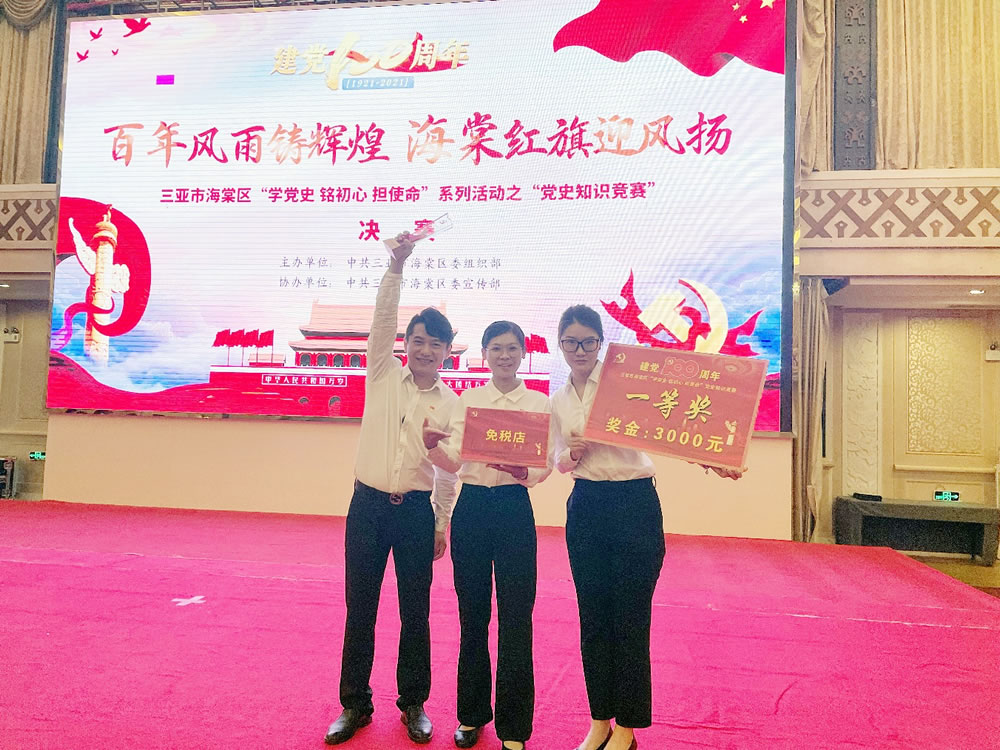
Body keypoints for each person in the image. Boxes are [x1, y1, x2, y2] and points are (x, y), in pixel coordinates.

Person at [550, 305, 742, 750]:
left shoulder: (628, 383)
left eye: (588, 341)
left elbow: (670, 427)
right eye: (571, 342)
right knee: (593, 619)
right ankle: (600, 721)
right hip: (587, 507)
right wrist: (572, 453)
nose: (580, 350)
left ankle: (628, 728)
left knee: (631, 619)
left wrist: (714, 460)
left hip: (634, 505)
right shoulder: (558, 400)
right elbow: (556, 459)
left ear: (601, 343)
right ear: (560, 345)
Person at [325, 235, 459, 746]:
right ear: (406, 344)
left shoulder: (451, 403)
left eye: (435, 344)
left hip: (416, 513)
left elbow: (449, 471)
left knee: (415, 612)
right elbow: (382, 320)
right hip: (367, 507)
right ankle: (354, 705)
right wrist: (396, 267)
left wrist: (441, 521)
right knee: (360, 607)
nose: (425, 350)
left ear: (446, 351)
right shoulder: (381, 375)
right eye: (418, 340)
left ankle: (414, 703)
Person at [422, 321, 553, 750]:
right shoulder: (469, 401)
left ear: (523, 353)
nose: (504, 356)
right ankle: (471, 715)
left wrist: (524, 471)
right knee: (472, 616)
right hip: (473, 508)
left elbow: (544, 464)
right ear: (484, 353)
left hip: (514, 508)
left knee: (517, 618)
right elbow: (454, 461)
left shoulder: (537, 403)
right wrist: (431, 447)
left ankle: (514, 729)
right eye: (496, 348)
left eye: (512, 348)